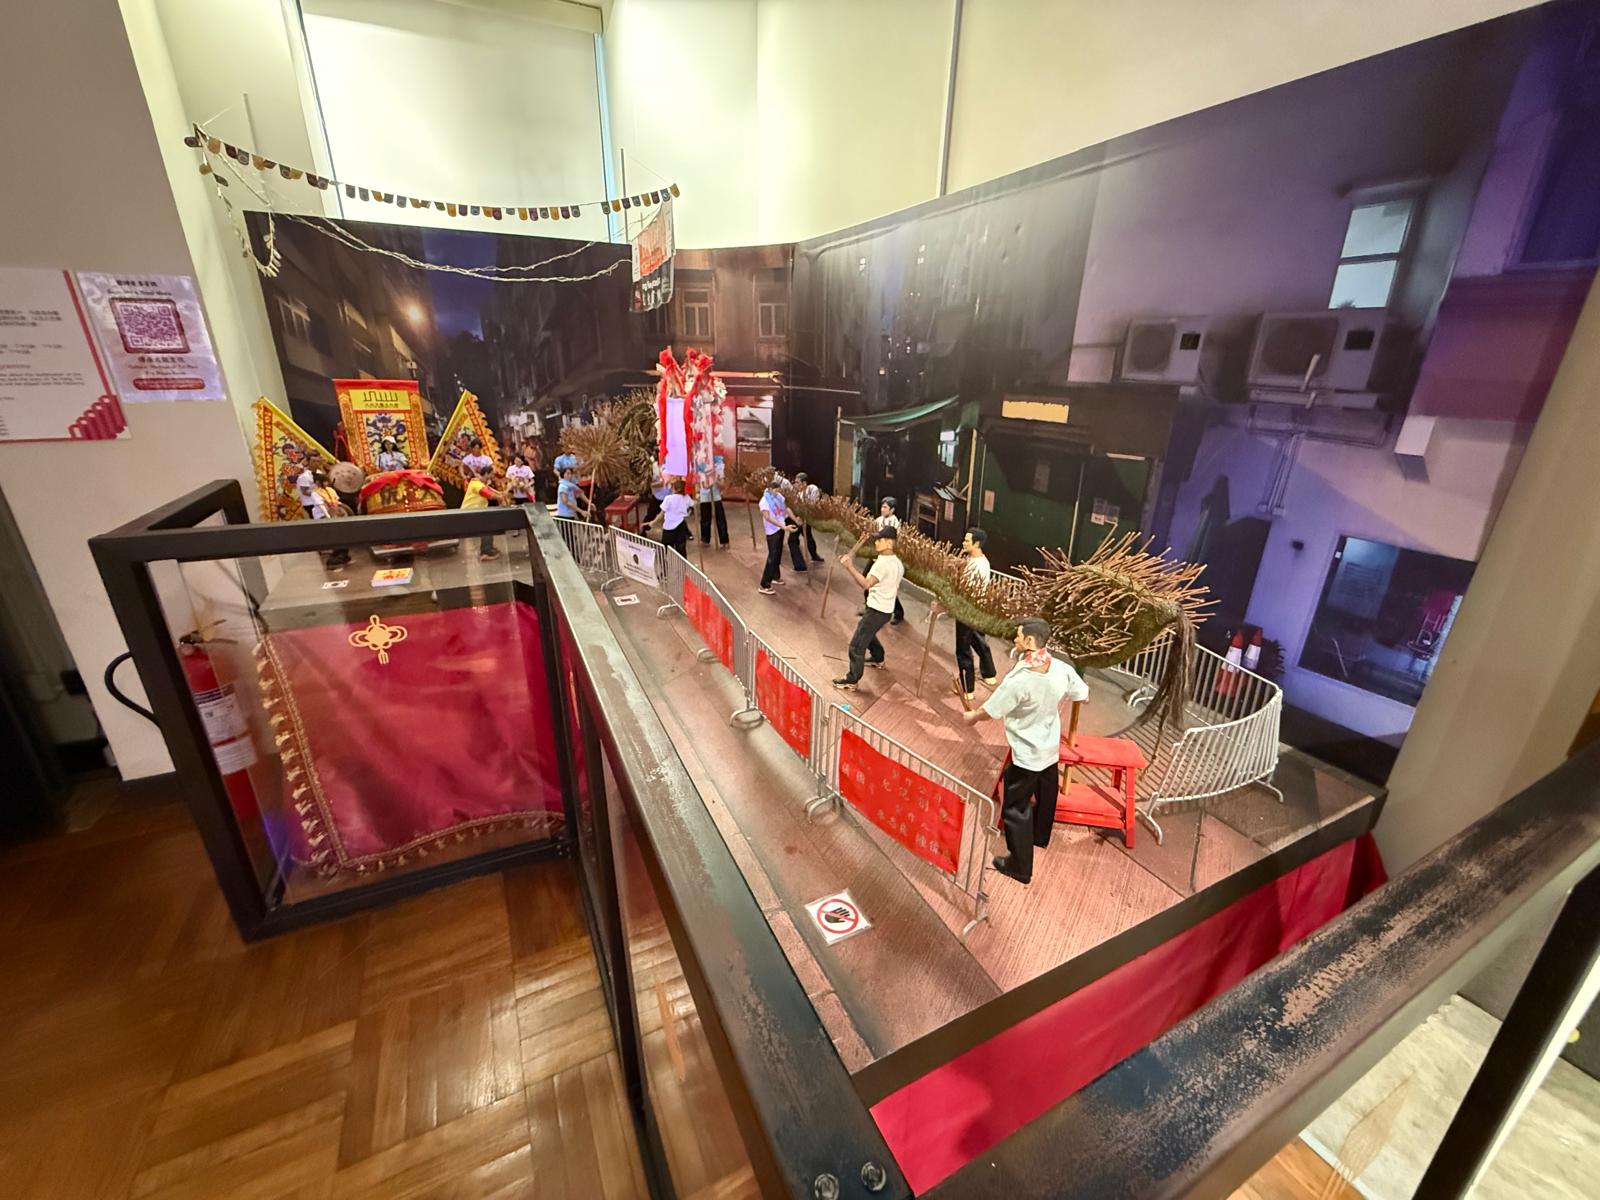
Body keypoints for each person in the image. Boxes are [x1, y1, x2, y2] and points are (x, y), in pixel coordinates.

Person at [961, 617, 1089, 885]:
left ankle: (1020, 865)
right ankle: (1040, 837)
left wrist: (973, 716)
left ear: (1030, 641)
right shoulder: (1061, 668)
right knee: (1047, 795)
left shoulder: (1021, 680)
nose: (1015, 639)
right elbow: (1082, 693)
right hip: (1049, 747)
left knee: (1016, 807)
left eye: (1018, 636)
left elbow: (992, 710)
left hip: (1028, 753)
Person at [831, 525, 904, 690]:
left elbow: (866, 584)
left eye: (880, 540)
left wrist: (850, 567)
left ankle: (852, 679)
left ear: (889, 543)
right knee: (867, 632)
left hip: (876, 610)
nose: (876, 542)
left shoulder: (882, 563)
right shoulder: (898, 563)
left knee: (856, 645)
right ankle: (878, 658)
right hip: (886, 610)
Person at [949, 527, 999, 701]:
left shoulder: (976, 566)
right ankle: (989, 673)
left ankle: (967, 688)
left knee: (963, 649)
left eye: (967, 541)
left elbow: (966, 591)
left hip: (967, 610)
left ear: (977, 544)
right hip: (978, 610)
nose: (963, 543)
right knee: (977, 639)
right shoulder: (979, 560)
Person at [758, 478, 799, 595]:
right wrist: (783, 526)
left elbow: (786, 509)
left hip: (780, 528)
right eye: (775, 490)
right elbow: (767, 517)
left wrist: (795, 519)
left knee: (778, 554)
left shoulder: (779, 497)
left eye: (778, 490)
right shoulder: (764, 501)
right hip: (772, 531)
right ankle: (764, 584)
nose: (777, 492)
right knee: (772, 557)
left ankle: (775, 576)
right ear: (770, 489)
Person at [867, 497, 905, 624]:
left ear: (892, 510)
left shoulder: (895, 523)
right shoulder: (879, 520)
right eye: (882, 507)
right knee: (868, 578)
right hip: (878, 554)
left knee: (888, 586)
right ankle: (868, 607)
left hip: (887, 557)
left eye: (885, 507)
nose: (882, 509)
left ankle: (898, 612)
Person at [644, 477, 694, 557]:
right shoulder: (686, 498)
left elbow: (661, 514)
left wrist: (653, 522)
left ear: (674, 489)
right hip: (681, 525)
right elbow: (693, 505)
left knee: (665, 548)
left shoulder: (668, 499)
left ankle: (664, 562)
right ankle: (683, 563)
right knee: (681, 548)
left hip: (669, 527)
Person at [461, 464, 501, 561]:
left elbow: (493, 492)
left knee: (489, 527)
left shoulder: (481, 483)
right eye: (491, 474)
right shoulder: (476, 484)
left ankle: (489, 548)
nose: (492, 476)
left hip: (477, 512)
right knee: (486, 529)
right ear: (486, 474)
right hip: (470, 512)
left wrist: (501, 494)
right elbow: (489, 495)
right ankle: (485, 552)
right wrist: (499, 497)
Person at [791, 472, 825, 565]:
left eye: (798, 482)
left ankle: (813, 555)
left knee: (808, 537)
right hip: (800, 519)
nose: (796, 485)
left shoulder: (812, 489)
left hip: (808, 518)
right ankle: (800, 561)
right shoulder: (799, 494)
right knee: (794, 538)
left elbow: (812, 504)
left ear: (804, 483)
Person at [698, 454, 730, 548]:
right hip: (705, 496)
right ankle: (705, 539)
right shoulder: (701, 466)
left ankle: (724, 540)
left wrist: (716, 479)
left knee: (720, 519)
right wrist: (709, 481)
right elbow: (704, 485)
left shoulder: (719, 466)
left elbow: (722, 484)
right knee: (705, 519)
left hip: (716, 496)